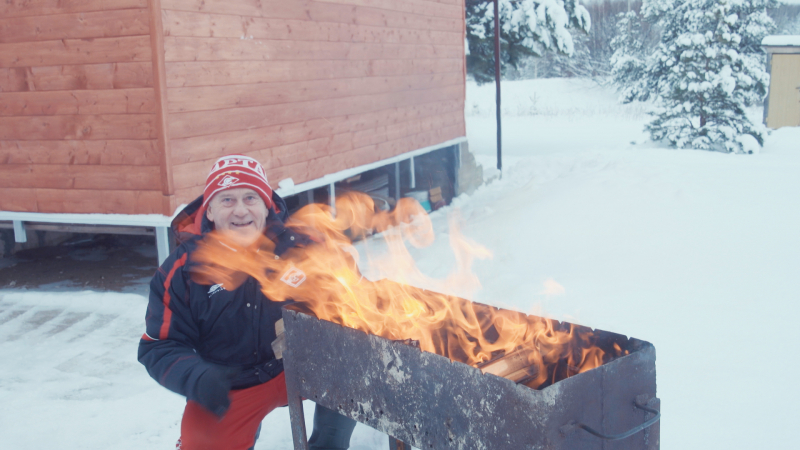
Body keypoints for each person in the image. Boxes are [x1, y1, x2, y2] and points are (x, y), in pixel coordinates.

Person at [138, 155, 357, 450]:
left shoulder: (302, 245)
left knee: (357, 360)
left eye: (250, 197)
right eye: (227, 200)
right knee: (201, 444)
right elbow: (158, 345)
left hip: (302, 364)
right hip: (230, 383)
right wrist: (198, 376)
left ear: (266, 205)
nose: (240, 210)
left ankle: (328, 445)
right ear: (210, 210)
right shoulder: (182, 269)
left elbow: (352, 297)